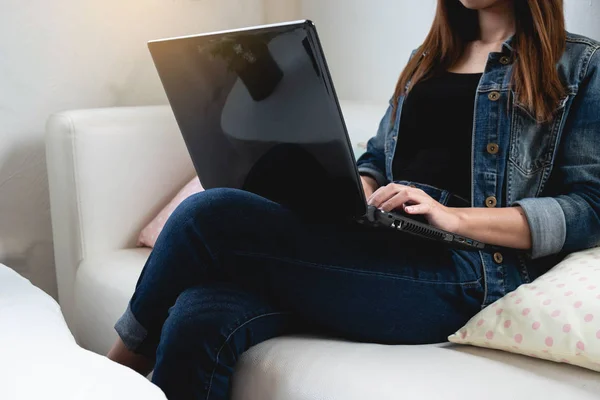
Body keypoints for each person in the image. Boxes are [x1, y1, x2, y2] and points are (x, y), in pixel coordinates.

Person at [108, 0, 600, 398]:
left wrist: (453, 219)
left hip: (466, 269)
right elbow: (379, 159)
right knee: (201, 312)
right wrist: (353, 192)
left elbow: (588, 209)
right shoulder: (428, 58)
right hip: (381, 238)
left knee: (206, 213)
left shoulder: (580, 64)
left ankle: (106, 375)